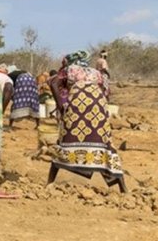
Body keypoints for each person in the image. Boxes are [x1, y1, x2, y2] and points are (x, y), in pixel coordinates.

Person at [47, 50, 125, 192]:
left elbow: (53, 83)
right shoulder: (96, 72)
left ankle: (49, 183)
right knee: (103, 142)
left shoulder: (69, 69)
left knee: (65, 140)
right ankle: (123, 188)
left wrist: (61, 105)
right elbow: (106, 92)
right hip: (98, 106)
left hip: (78, 104)